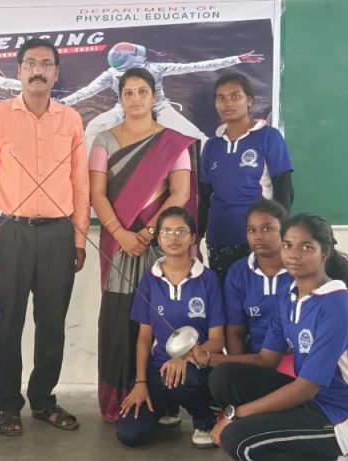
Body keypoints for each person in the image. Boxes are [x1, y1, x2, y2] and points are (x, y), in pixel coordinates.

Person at [190, 213, 348, 461]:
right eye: (287, 245)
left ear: (324, 254)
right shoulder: (288, 296)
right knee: (223, 377)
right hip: (311, 402)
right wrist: (209, 358)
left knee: (238, 440)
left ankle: (343, 457)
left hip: (343, 416)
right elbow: (266, 360)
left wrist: (235, 414)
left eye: (306, 247)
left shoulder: (337, 306)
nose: (294, 254)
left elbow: (305, 388)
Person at [0, 37, 90, 436]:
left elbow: (80, 183)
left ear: (56, 73)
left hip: (58, 233)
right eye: (31, 64)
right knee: (7, 323)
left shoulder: (71, 120)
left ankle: (43, 400)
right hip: (10, 233)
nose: (38, 70)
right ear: (19, 70)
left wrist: (79, 238)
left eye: (46, 64)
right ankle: (8, 405)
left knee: (52, 322)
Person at [88, 67, 196, 422]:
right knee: (118, 318)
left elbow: (180, 194)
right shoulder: (103, 140)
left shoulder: (173, 142)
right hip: (117, 243)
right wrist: (120, 232)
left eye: (142, 92)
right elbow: (97, 194)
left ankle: (164, 400)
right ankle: (116, 399)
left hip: (159, 243)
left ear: (154, 96)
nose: (135, 98)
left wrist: (148, 232)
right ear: (120, 99)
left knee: (161, 315)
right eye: (128, 92)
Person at [116, 207, 225, 448]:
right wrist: (140, 383)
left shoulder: (208, 279)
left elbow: (218, 340)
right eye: (166, 231)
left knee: (182, 379)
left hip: (196, 368)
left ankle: (204, 420)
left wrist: (185, 358)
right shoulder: (149, 279)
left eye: (180, 231)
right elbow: (144, 338)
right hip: (158, 368)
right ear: (158, 238)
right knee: (130, 434)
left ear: (193, 238)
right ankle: (167, 407)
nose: (173, 237)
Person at [61, 42, 264, 148]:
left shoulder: (155, 68)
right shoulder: (111, 73)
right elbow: (87, 90)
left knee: (197, 138)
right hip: (123, 111)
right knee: (94, 127)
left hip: (158, 109)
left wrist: (236, 59)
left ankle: (215, 170)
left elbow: (197, 66)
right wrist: (63, 102)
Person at [199, 72, 293, 282]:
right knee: (224, 297)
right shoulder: (212, 145)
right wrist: (196, 237)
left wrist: (281, 233)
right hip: (219, 237)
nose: (227, 103)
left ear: (249, 100)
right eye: (221, 98)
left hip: (259, 240)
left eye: (235, 96)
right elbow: (204, 196)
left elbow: (284, 190)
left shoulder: (269, 137)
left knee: (257, 297)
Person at [224, 199, 293, 357]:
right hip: (255, 357)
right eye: (251, 230)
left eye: (266, 229)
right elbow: (235, 332)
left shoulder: (299, 268)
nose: (258, 236)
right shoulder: (238, 272)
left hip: (295, 358)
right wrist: (240, 367)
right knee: (221, 372)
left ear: (284, 232)